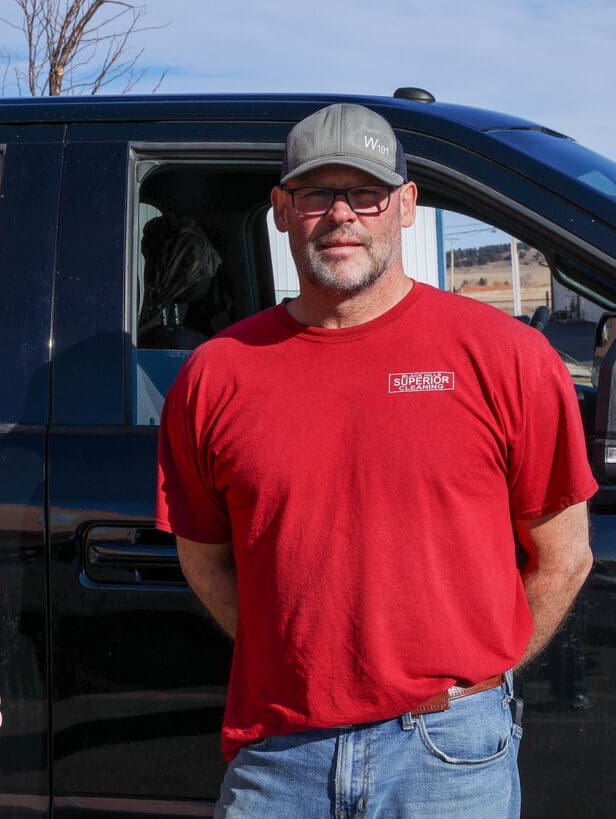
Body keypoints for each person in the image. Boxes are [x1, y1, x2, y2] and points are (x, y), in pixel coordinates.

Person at [155, 103, 596, 817]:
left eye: (365, 192)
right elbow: (205, 559)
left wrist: (475, 682)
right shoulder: (217, 375)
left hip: (449, 756)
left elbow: (566, 554)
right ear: (280, 210)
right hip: (278, 756)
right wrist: (306, 667)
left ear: (406, 205)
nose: (341, 215)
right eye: (315, 194)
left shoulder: (505, 357)